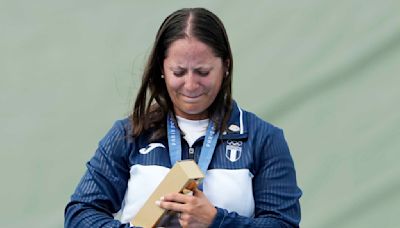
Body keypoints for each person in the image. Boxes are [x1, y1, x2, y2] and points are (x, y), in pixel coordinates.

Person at [65, 7, 302, 228]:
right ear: (162, 68)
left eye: (203, 72)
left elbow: (284, 224)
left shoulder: (263, 139)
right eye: (178, 72)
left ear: (226, 66)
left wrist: (217, 221)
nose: (190, 85)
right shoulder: (130, 134)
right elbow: (80, 213)